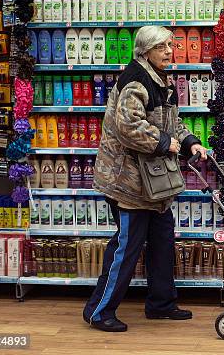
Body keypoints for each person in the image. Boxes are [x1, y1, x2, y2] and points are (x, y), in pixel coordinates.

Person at [83, 26, 207, 332]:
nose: (169, 51)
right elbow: (129, 127)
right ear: (145, 51)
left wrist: (189, 140)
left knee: (163, 241)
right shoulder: (135, 82)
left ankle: (161, 304)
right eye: (161, 47)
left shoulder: (162, 80)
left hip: (155, 183)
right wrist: (166, 143)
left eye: (170, 45)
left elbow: (172, 122)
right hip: (129, 181)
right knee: (126, 246)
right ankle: (98, 311)